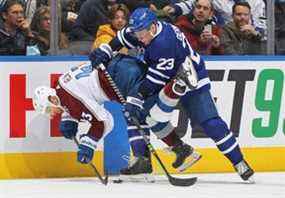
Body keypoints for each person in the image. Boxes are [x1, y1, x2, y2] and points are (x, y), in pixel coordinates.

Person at [89, 7, 254, 182]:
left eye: (142, 33)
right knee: (136, 113)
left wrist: (135, 97)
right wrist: (106, 51)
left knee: (210, 123)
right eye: (137, 32)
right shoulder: (140, 29)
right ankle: (145, 161)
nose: (140, 37)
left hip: (192, 79)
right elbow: (121, 38)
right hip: (168, 80)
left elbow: (152, 82)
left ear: (153, 27)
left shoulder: (163, 43)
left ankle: (239, 162)